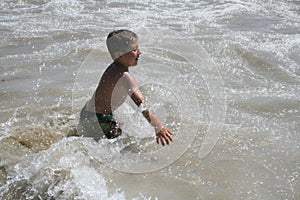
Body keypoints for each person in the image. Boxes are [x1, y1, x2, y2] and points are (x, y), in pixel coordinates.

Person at [78, 30, 173, 146]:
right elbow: (142, 104)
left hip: (87, 113)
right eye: (134, 50)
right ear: (119, 54)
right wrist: (159, 127)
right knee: (124, 148)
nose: (140, 52)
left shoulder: (112, 68)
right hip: (100, 120)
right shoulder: (125, 77)